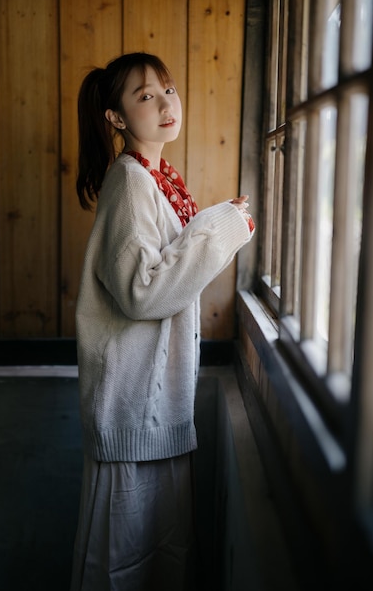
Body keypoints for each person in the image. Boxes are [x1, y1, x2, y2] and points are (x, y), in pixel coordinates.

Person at [70, 52, 255, 591]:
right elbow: (143, 292)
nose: (164, 103)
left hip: (153, 409)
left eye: (168, 90)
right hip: (133, 411)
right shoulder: (130, 183)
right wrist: (222, 227)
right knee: (121, 563)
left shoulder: (159, 178)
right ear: (117, 118)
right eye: (144, 96)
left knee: (158, 558)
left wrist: (216, 223)